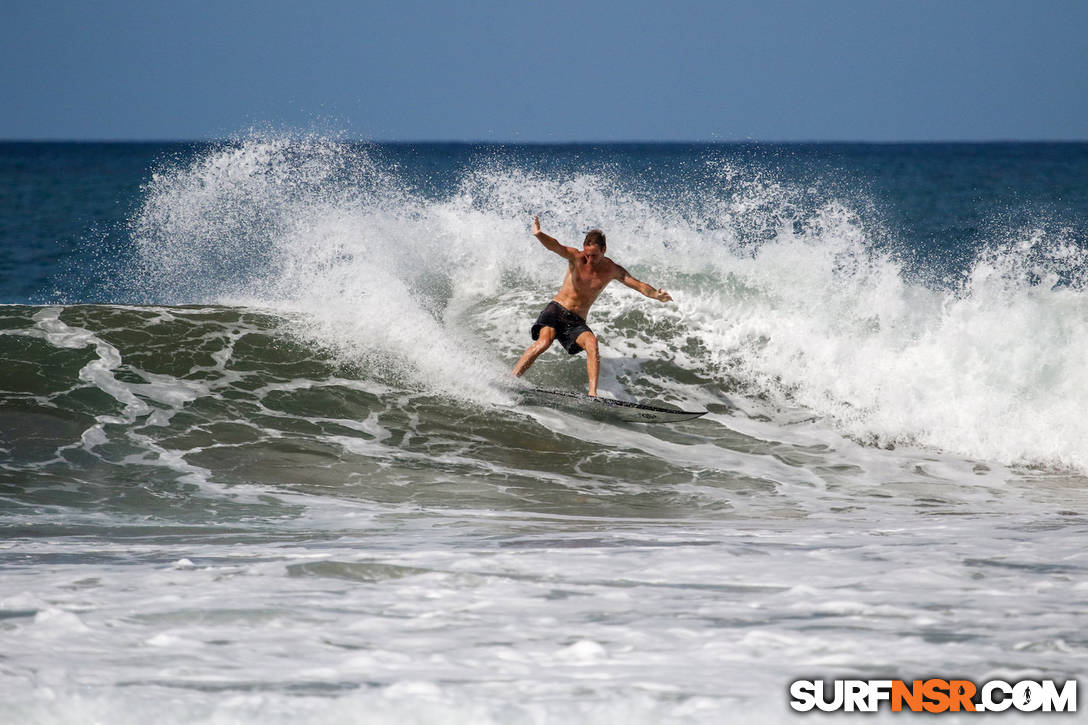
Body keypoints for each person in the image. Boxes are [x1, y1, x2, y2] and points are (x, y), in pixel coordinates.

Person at [512, 215, 673, 396]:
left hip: (576, 320)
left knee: (592, 343)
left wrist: (656, 296)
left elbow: (638, 284)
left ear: (604, 250)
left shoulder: (611, 269)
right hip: (556, 309)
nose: (589, 259)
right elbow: (556, 246)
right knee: (544, 342)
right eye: (587, 254)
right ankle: (512, 379)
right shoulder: (576, 258)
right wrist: (538, 234)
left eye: (594, 255)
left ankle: (593, 395)